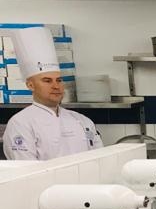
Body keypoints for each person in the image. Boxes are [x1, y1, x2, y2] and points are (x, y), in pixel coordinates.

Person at [3, 27, 102, 160]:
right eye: (47, 81)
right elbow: (26, 168)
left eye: (59, 80)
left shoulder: (82, 120)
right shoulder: (20, 123)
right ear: (30, 85)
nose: (56, 86)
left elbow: (99, 159)